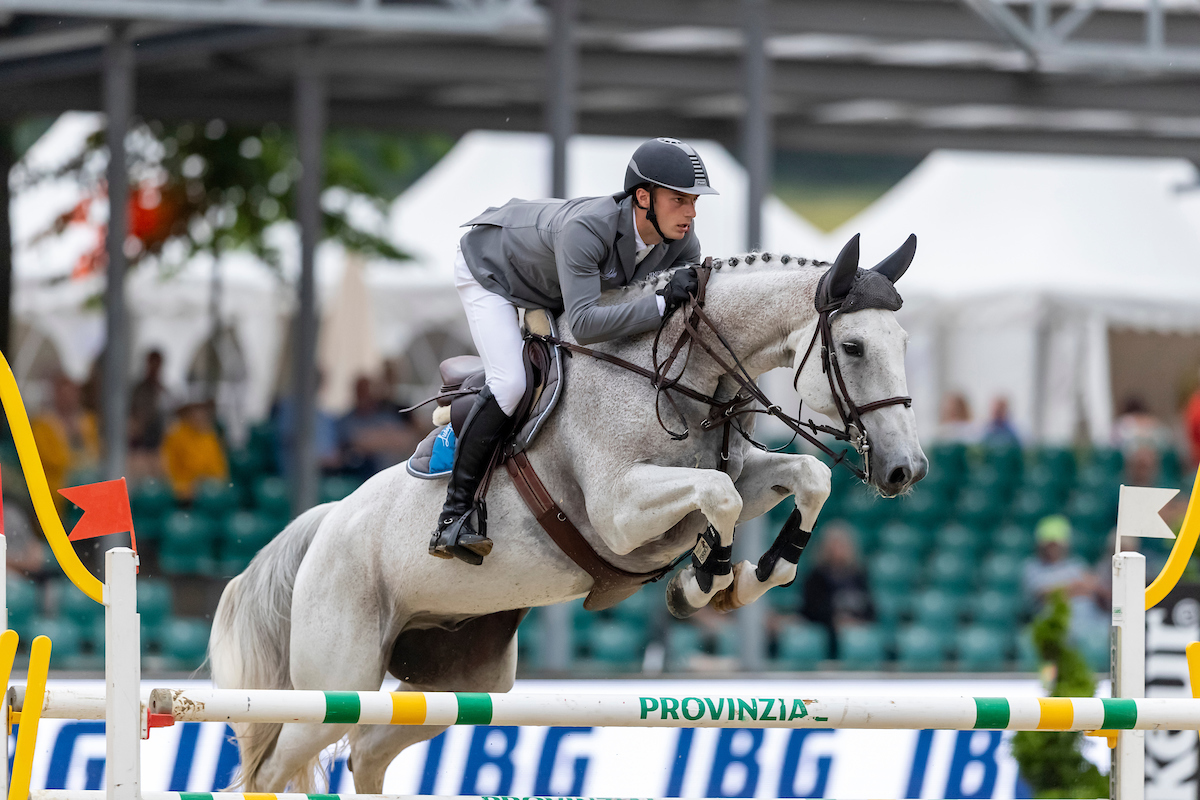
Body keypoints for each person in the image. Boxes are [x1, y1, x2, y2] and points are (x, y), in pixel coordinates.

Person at [430, 137, 718, 565]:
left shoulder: (680, 240)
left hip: (551, 283)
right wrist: (660, 304)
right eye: (680, 200)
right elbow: (584, 325)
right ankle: (455, 514)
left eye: (693, 201)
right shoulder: (588, 230)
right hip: (492, 270)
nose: (692, 212)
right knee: (510, 384)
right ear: (643, 197)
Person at [798, 523, 875, 659]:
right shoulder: (816, 576)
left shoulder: (858, 576)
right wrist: (835, 620)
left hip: (855, 630)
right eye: (834, 544)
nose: (837, 549)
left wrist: (855, 621)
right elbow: (809, 609)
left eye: (841, 545)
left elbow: (870, 608)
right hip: (825, 632)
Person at [1022, 515, 1106, 638]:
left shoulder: (1077, 564)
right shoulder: (1031, 567)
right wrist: (1077, 587)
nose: (1052, 549)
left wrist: (1063, 591)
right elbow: (1042, 595)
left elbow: (1094, 587)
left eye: (1056, 544)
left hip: (1090, 625)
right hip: (1055, 627)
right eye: (1049, 544)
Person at [30, 375, 100, 511]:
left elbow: (97, 454)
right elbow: (49, 461)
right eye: (63, 391)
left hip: (89, 480)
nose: (68, 397)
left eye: (73, 391)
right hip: (58, 487)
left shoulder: (88, 421)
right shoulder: (43, 424)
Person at [338, 375, 421, 480]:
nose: (364, 395)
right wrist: (383, 439)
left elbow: (406, 440)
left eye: (367, 391)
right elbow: (352, 443)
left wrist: (371, 441)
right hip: (358, 476)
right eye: (361, 391)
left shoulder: (386, 416)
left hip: (391, 473)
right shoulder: (346, 420)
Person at [160, 398, 228, 501]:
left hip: (209, 489)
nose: (199, 415)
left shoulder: (210, 437)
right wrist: (186, 486)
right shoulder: (176, 436)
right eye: (195, 411)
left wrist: (213, 483)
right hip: (184, 492)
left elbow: (219, 468)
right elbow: (168, 468)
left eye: (202, 411)